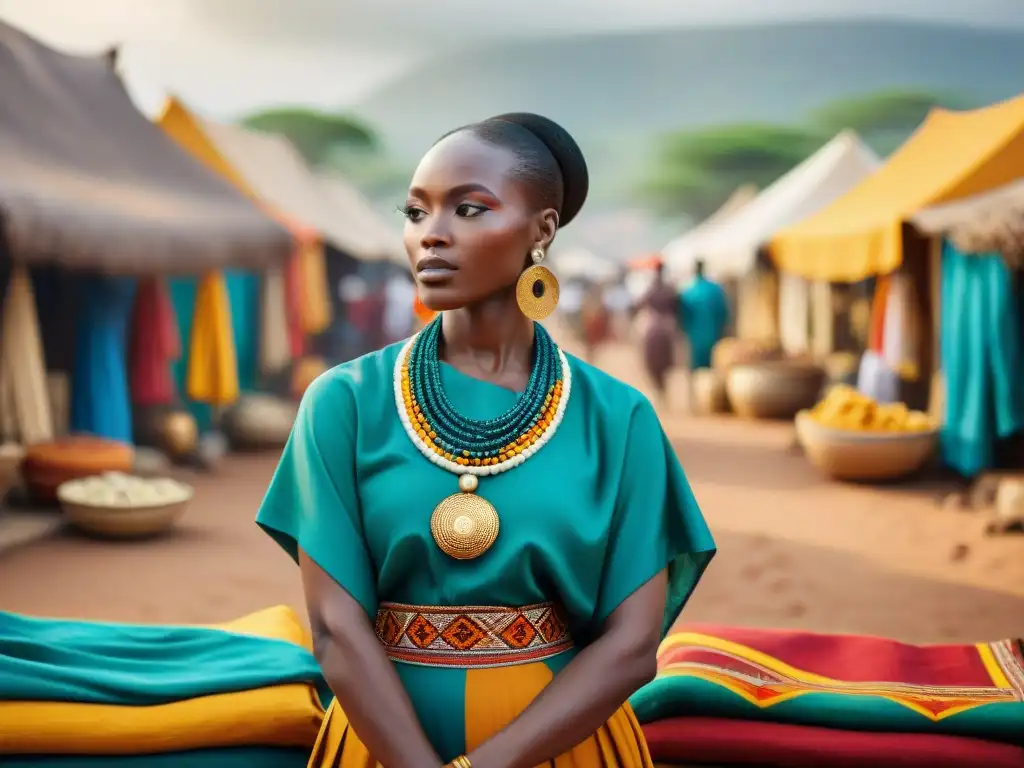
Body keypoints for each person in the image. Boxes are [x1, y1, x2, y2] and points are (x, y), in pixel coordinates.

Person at [257, 113, 716, 768]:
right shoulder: (345, 404)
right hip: (378, 742)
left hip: (561, 745)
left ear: (543, 230)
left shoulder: (618, 419)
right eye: (415, 213)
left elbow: (631, 646)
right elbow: (335, 630)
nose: (431, 236)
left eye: (469, 209)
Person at [636, 257, 681, 409]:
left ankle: (660, 391)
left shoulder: (651, 288)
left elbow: (641, 304)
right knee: (665, 362)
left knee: (650, 361)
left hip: (653, 326)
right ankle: (662, 392)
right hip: (667, 327)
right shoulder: (670, 288)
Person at [678, 258, 729, 371]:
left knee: (697, 368)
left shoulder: (689, 292)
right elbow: (723, 313)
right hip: (714, 333)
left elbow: (683, 317)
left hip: (695, 337)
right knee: (712, 368)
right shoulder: (715, 290)